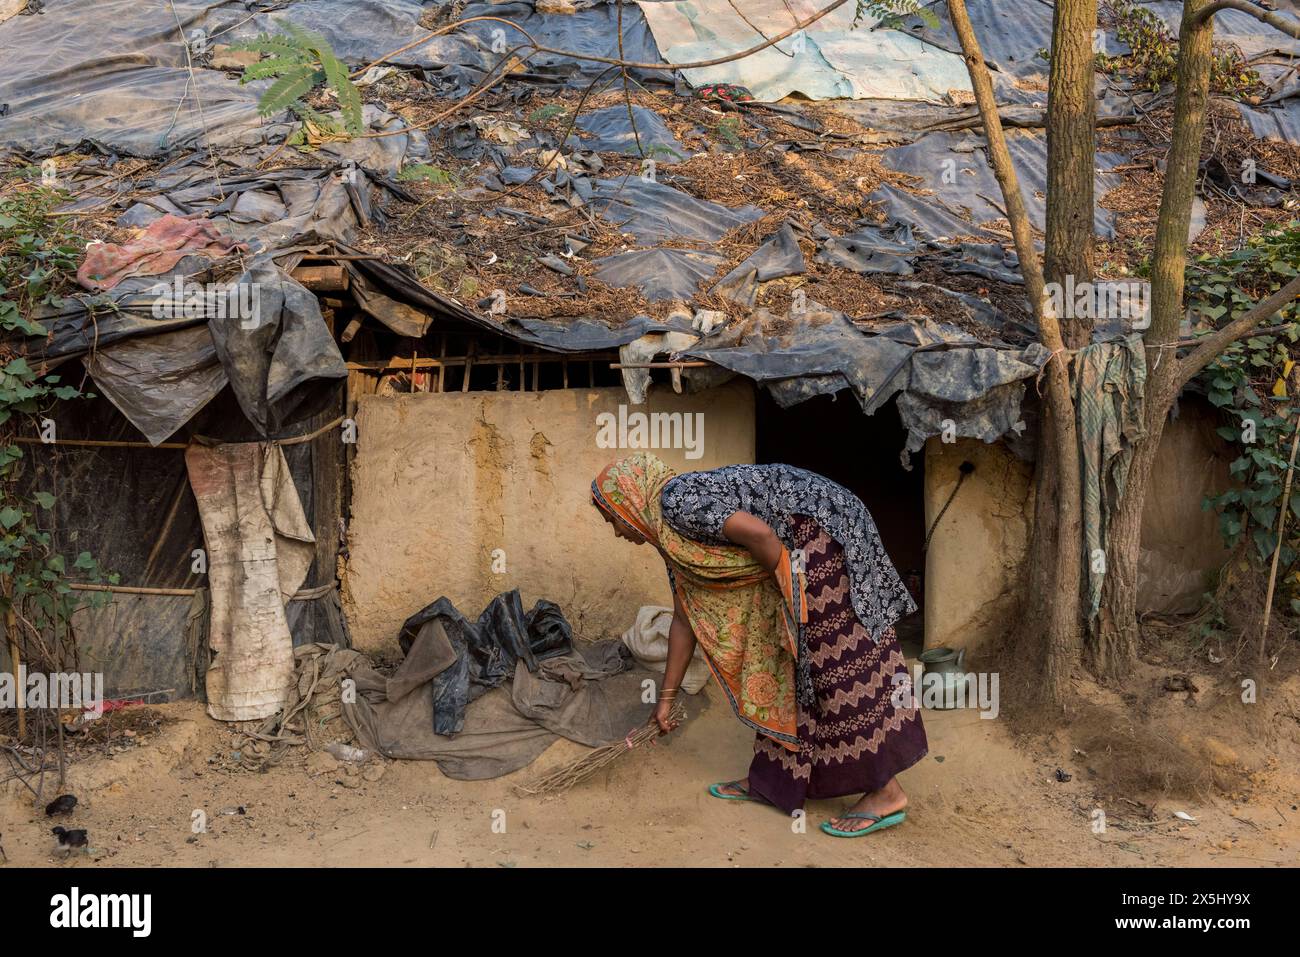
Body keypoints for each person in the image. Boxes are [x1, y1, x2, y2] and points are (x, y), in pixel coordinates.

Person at [592, 452, 928, 837]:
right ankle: (773, 782)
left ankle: (886, 791)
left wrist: (790, 596)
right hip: (802, 536)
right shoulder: (671, 537)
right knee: (784, 660)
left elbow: (760, 534)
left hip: (821, 530)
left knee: (831, 664)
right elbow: (684, 618)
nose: (617, 531)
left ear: (630, 499)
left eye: (611, 518)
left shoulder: (675, 501)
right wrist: (666, 699)